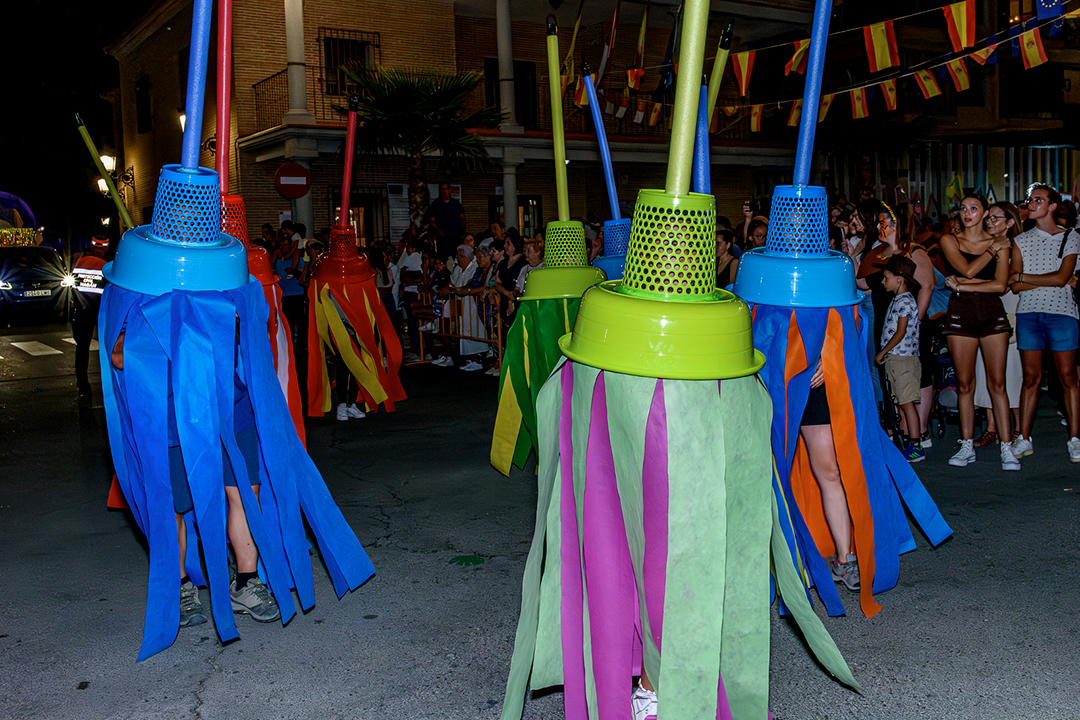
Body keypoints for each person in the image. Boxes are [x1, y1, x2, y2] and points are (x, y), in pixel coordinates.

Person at [939, 194, 1016, 469]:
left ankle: (1007, 447)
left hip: (991, 314)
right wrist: (992, 251)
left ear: (984, 214)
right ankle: (966, 445)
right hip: (961, 315)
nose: (967, 213)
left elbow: (1000, 286)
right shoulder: (951, 240)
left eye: (974, 208)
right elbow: (966, 269)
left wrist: (961, 285)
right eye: (963, 208)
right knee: (964, 384)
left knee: (998, 384)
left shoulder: (1000, 242)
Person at [1009, 183, 1080, 462]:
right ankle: (1023, 438)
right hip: (1029, 315)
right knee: (1031, 378)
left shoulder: (1071, 237)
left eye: (1038, 200)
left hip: (1062, 313)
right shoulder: (1020, 240)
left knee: (1068, 377)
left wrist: (1025, 278)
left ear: (1052, 206)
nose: (1031, 203)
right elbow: (1012, 285)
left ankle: (1075, 438)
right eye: (1030, 200)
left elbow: (1062, 278)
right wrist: (1033, 280)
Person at [973, 202, 1023, 447]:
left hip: (1011, 307)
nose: (989, 221)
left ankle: (1020, 427)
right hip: (987, 308)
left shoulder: (1018, 247)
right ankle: (991, 426)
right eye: (988, 218)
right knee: (985, 372)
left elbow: (1009, 282)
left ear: (1010, 222)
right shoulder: (983, 246)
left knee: (1013, 372)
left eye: (995, 218)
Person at [875, 256, 924, 462]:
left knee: (906, 402)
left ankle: (915, 444)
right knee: (901, 401)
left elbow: (900, 331)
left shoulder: (905, 301)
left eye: (886, 277)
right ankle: (906, 439)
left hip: (902, 359)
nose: (882, 281)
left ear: (899, 279)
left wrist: (882, 351)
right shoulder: (899, 299)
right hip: (897, 359)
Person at [71, 235, 110, 397]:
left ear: (91, 246)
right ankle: (109, 383)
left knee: (82, 348)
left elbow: (73, 286)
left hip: (82, 311)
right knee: (107, 348)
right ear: (106, 248)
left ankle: (83, 384)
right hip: (101, 312)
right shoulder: (106, 267)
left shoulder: (80, 262)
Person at [450, 244, 487, 371]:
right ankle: (472, 358)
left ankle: (478, 359)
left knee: (474, 330)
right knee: (466, 329)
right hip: (465, 303)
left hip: (473, 304)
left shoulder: (475, 268)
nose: (458, 258)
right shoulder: (460, 269)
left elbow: (475, 286)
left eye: (461, 256)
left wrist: (467, 290)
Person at [270, 229, 306, 349]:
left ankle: (301, 344)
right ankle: (289, 344)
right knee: (287, 322)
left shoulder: (297, 258)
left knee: (300, 320)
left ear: (290, 245)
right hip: (284, 296)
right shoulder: (278, 259)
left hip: (296, 294)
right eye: (281, 245)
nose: (283, 247)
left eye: (285, 244)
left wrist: (294, 271)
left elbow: (304, 275)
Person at [395, 231, 425, 362]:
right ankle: (420, 351)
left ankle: (417, 351)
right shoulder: (421, 258)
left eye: (407, 247)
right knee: (420, 322)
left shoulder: (410, 257)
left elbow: (401, 273)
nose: (406, 250)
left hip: (410, 292)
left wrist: (407, 281)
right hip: (419, 292)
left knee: (413, 323)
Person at [493, 228, 527, 322]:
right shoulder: (503, 263)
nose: (504, 246)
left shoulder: (524, 262)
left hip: (519, 302)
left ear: (516, 245)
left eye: (508, 243)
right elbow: (497, 282)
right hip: (505, 300)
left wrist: (513, 295)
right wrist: (507, 293)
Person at [427, 182, 465, 259]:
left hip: (456, 237)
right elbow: (431, 221)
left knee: (457, 258)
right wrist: (441, 233)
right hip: (443, 239)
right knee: (443, 259)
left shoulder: (456, 203)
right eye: (442, 189)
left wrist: (462, 231)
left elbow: (462, 217)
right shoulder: (436, 204)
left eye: (446, 189)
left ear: (450, 190)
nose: (444, 191)